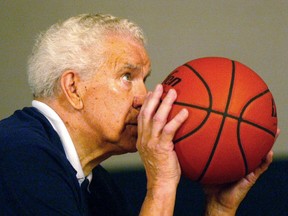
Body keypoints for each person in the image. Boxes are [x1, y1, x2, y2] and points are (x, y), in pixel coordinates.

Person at [0, 13, 277, 216]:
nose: (144, 99)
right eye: (126, 76)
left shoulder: (100, 188)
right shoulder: (19, 155)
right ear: (73, 88)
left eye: (144, 79)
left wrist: (219, 210)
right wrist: (161, 187)